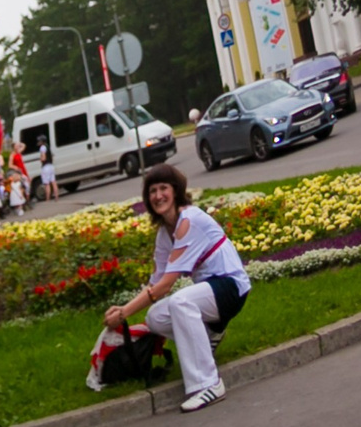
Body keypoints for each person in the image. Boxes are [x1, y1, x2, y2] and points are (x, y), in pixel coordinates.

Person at [95, 162, 249, 411]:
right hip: (210, 291)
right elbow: (155, 283)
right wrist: (125, 309)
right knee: (155, 317)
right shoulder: (164, 234)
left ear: (176, 191)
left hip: (231, 287)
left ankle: (209, 384)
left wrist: (124, 313)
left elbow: (165, 286)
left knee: (180, 302)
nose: (158, 196)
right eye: (152, 191)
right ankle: (209, 335)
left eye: (163, 188)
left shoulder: (189, 221)